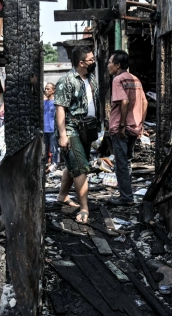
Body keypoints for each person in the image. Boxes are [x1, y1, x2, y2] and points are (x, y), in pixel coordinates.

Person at [54, 46, 99, 224]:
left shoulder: (91, 79)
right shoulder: (66, 81)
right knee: (80, 168)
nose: (94, 62)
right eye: (91, 59)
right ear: (81, 63)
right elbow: (60, 109)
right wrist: (63, 135)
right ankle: (84, 208)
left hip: (87, 128)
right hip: (71, 128)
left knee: (74, 163)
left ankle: (62, 196)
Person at [106, 50, 148, 206]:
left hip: (121, 129)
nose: (108, 65)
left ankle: (126, 198)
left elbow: (123, 102)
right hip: (134, 127)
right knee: (127, 162)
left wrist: (122, 125)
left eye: (110, 62)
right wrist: (141, 124)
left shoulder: (118, 79)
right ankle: (127, 194)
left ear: (117, 65)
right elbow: (145, 103)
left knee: (121, 163)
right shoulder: (135, 79)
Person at [44, 82, 59, 167]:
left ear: (53, 91)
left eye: (48, 89)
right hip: (44, 129)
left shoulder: (56, 102)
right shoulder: (43, 102)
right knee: (45, 149)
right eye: (45, 88)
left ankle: (55, 164)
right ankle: (45, 164)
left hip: (52, 128)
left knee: (54, 148)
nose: (46, 90)